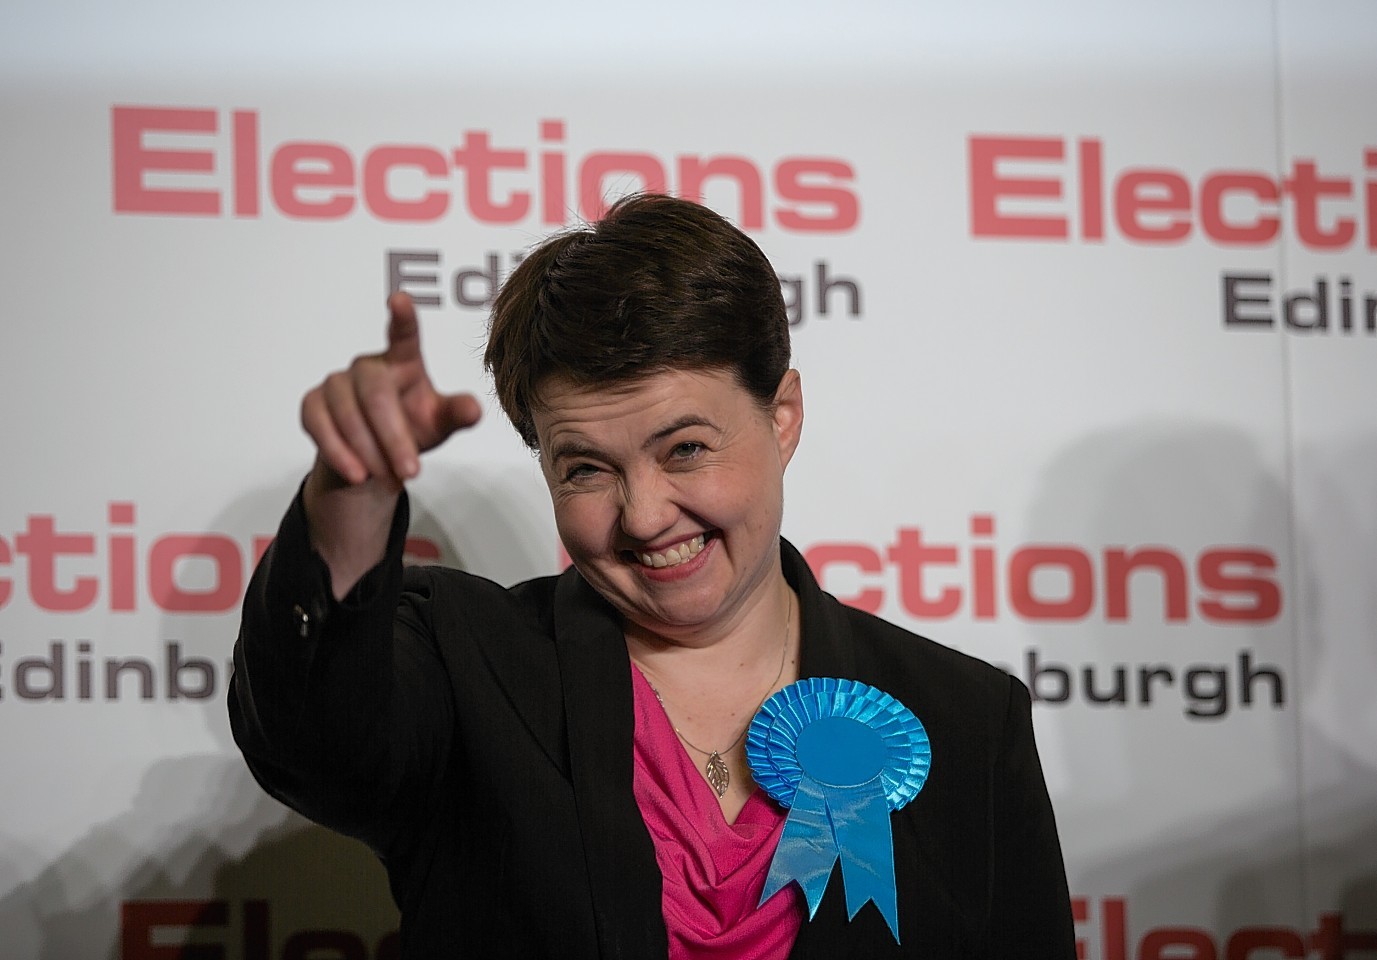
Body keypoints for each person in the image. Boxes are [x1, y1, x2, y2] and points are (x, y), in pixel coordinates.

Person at [229, 193, 1076, 958]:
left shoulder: (964, 718)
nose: (641, 515)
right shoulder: (467, 664)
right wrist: (353, 494)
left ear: (781, 418)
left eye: (686, 450)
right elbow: (315, 743)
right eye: (586, 469)